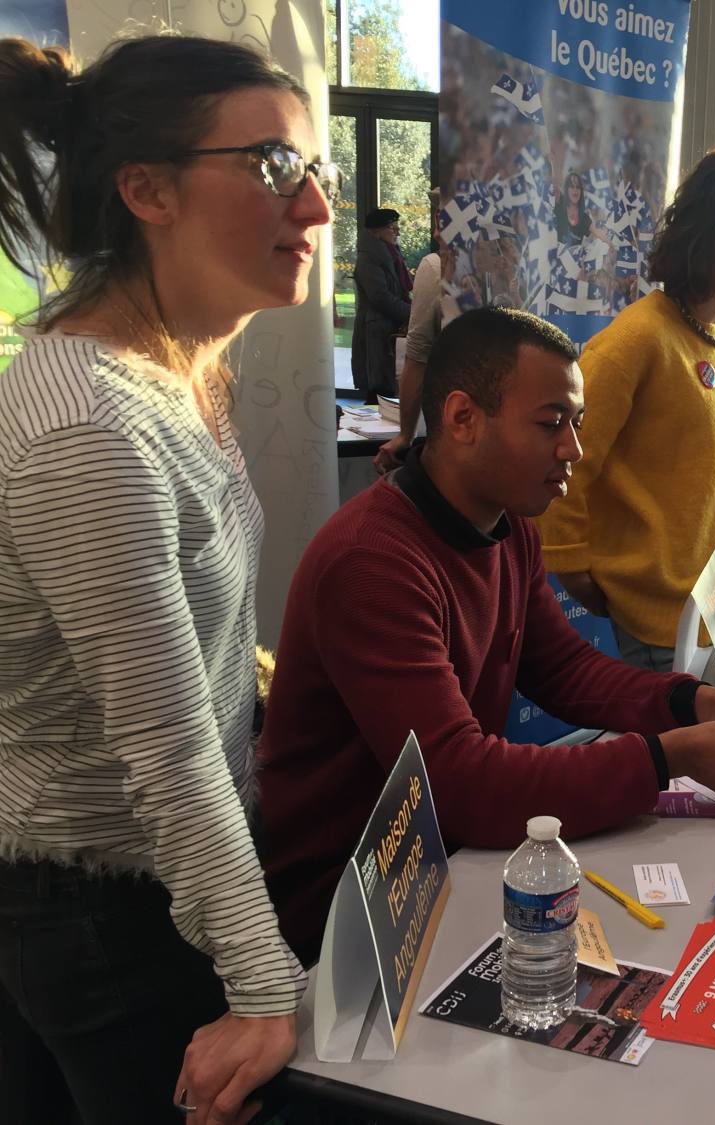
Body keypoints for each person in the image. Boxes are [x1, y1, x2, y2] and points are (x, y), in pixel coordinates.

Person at [0, 33, 336, 1124]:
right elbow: (166, 747)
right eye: (277, 169)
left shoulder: (182, 370)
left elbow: (165, 625)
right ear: (145, 189)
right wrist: (260, 986)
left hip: (154, 876)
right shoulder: (89, 424)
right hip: (100, 901)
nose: (319, 208)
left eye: (315, 170)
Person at [257, 306, 715, 964]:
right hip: (355, 918)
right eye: (551, 424)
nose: (573, 448)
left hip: (449, 865)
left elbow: (567, 670)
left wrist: (696, 702)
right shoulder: (372, 564)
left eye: (575, 423)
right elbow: (460, 784)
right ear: (462, 419)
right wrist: (670, 756)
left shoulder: (507, 525)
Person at [537, 146, 715, 671]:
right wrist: (574, 568)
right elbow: (562, 462)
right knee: (681, 750)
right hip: (664, 623)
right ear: (712, 240)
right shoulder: (637, 341)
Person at [376, 200, 452, 473]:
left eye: (441, 219)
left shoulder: (435, 268)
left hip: (456, 439)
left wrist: (404, 436)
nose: (434, 233)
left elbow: (417, 358)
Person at [352, 206, 411, 402]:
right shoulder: (368, 258)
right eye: (391, 228)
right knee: (379, 391)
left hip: (388, 328)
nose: (397, 232)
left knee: (388, 389)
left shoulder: (391, 253)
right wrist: (411, 314)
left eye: (397, 227)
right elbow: (380, 297)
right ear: (375, 232)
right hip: (377, 332)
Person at [555, 169, 592, 245]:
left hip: (575, 256)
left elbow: (595, 234)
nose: (575, 190)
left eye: (578, 187)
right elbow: (556, 187)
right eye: (572, 187)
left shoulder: (584, 217)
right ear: (566, 189)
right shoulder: (561, 204)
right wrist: (553, 164)